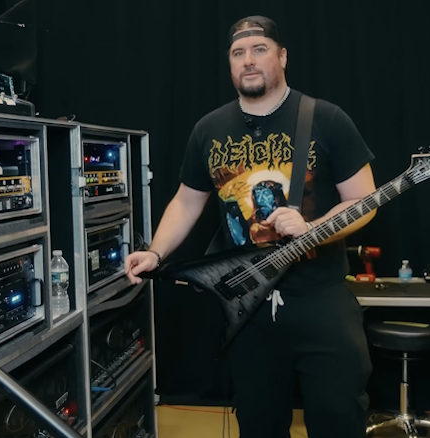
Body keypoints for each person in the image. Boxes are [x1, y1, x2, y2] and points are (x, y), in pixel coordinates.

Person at [125, 15, 376, 438]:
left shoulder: (326, 118)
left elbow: (364, 202)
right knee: (259, 424)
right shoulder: (209, 129)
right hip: (248, 308)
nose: (249, 60)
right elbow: (187, 201)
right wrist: (155, 251)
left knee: (338, 420)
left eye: (260, 49)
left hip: (321, 300)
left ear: (283, 56)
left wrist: (312, 227)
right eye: (238, 53)